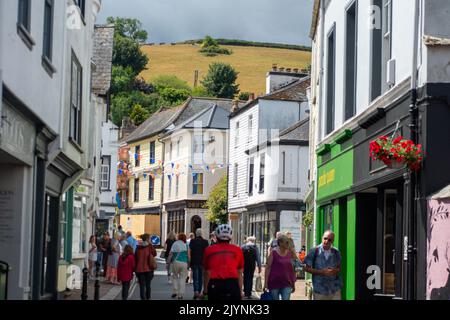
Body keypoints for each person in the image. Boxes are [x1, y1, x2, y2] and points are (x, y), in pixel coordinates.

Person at [202, 224, 244, 301]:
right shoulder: (238, 250)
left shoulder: (208, 250)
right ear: (230, 237)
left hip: (215, 284)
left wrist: (205, 291)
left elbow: (207, 272)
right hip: (232, 284)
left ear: (217, 236)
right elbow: (239, 272)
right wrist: (240, 291)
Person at [303, 230, 342, 300]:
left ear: (333, 241)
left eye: (330, 240)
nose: (326, 241)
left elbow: (339, 268)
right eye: (325, 238)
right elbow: (305, 268)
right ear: (322, 238)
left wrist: (334, 271)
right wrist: (321, 272)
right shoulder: (314, 251)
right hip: (319, 290)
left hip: (334, 289)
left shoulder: (336, 252)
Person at [264, 234, 297, 300]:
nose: (288, 244)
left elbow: (292, 270)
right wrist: (265, 283)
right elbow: (267, 268)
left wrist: (293, 284)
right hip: (274, 283)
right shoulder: (273, 253)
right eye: (286, 242)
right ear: (280, 243)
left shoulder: (290, 254)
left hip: (287, 283)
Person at [134, 233, 157, 300]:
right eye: (150, 238)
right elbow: (154, 254)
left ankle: (143, 298)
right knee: (148, 285)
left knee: (142, 285)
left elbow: (135, 258)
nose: (150, 240)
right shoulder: (149, 246)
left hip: (139, 269)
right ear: (147, 239)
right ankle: (148, 297)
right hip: (148, 269)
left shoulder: (138, 247)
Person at [189, 228, 209, 299]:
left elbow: (190, 252)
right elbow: (207, 253)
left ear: (196, 233)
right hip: (202, 262)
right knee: (201, 277)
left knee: (195, 277)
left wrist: (189, 261)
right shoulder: (205, 242)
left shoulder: (192, 241)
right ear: (202, 234)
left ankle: (196, 291)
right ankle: (200, 292)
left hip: (194, 261)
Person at [168, 233, 190, 299]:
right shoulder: (186, 245)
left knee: (174, 277)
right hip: (184, 263)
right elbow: (188, 255)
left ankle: (175, 291)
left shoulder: (175, 244)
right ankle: (180, 294)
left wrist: (168, 262)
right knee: (182, 278)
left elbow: (170, 254)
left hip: (175, 262)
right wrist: (189, 263)